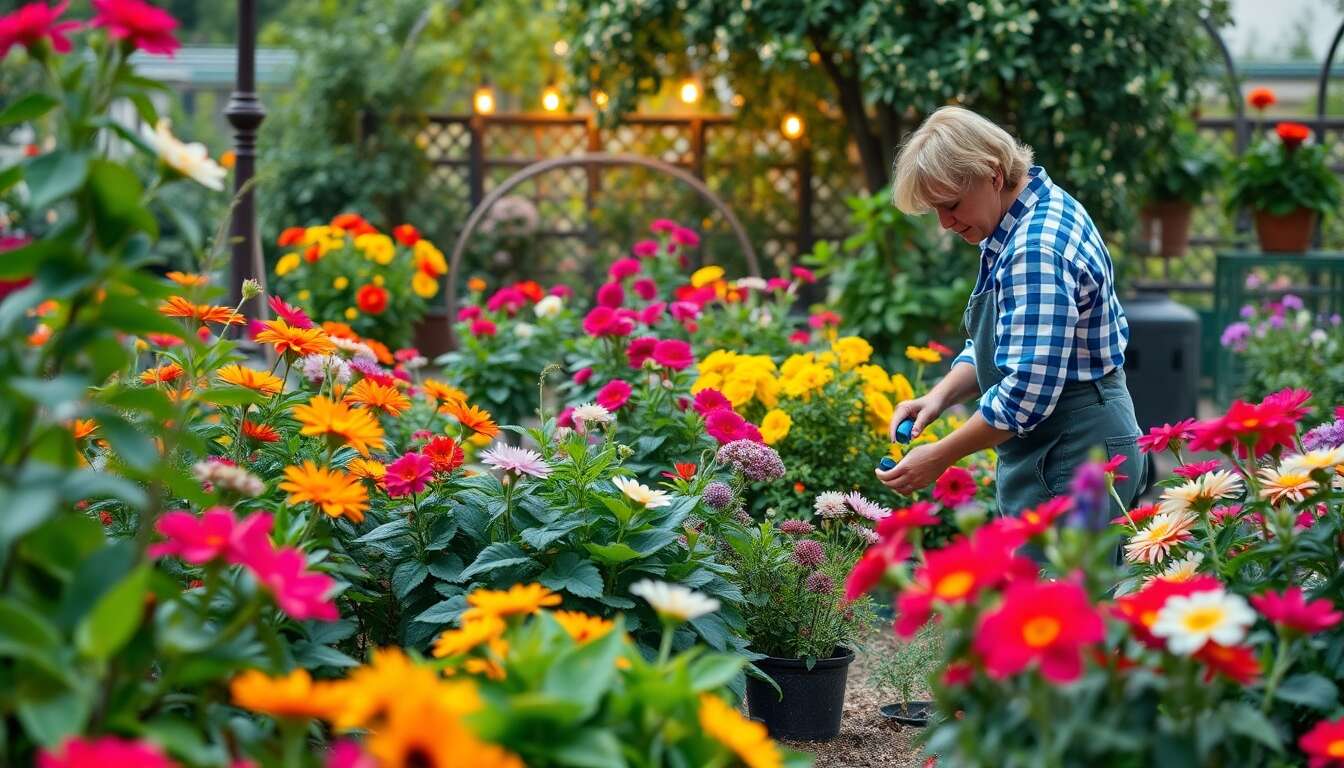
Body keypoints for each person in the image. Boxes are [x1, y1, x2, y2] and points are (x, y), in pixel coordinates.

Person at [876, 106, 1146, 525]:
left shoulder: (1033, 250)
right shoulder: (1022, 216)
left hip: (1073, 450)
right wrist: (938, 398)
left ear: (993, 174)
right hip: (1067, 439)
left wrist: (940, 456)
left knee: (1064, 590)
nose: (945, 223)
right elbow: (1008, 343)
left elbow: (1025, 396)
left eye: (950, 205)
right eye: (935, 211)